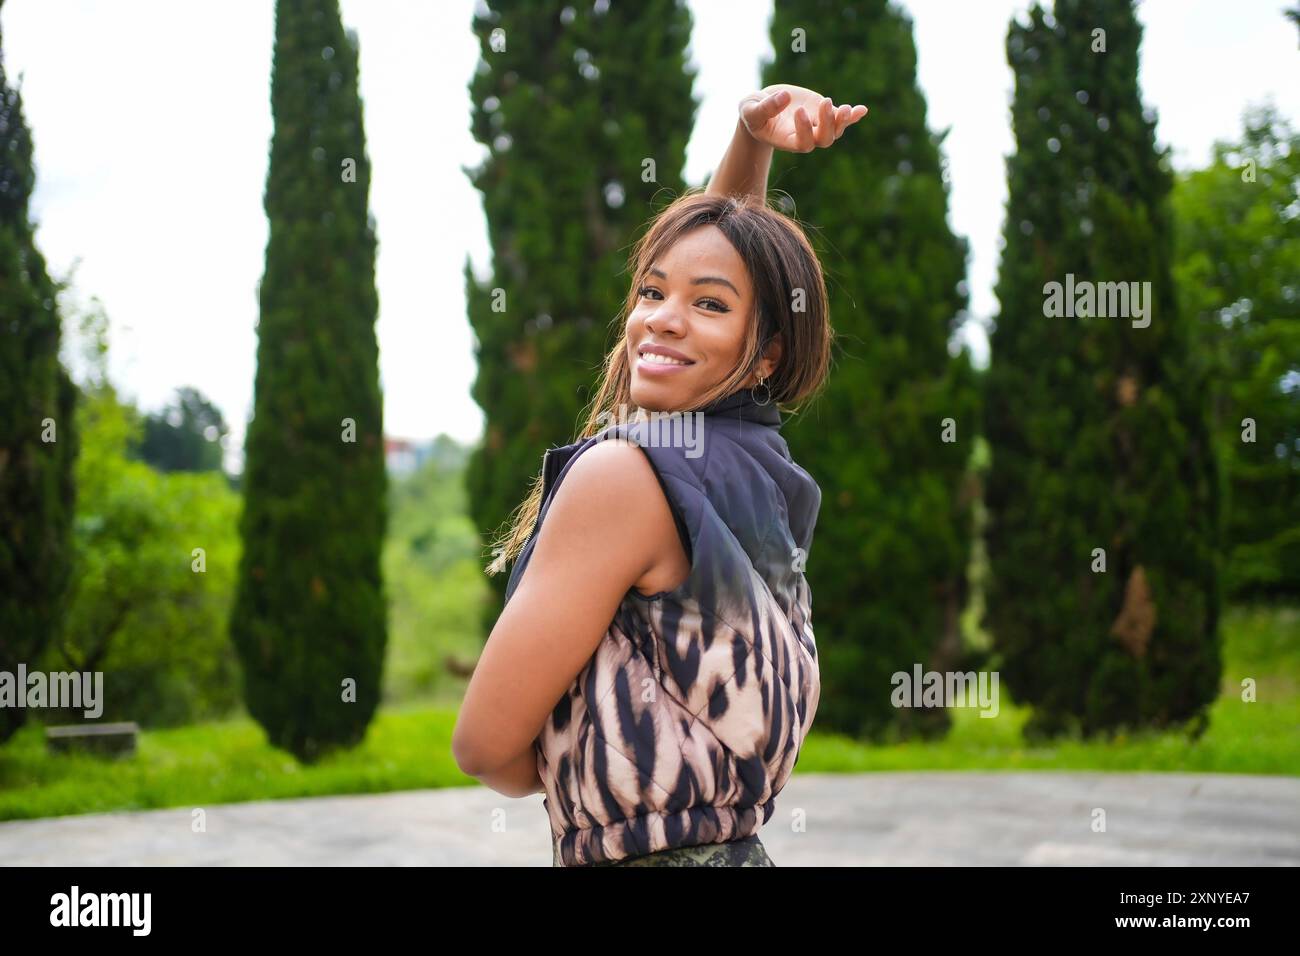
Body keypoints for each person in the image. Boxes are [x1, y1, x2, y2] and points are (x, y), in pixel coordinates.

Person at [452, 85, 868, 866]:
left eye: (704, 305)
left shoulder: (623, 477)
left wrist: (584, 763)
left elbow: (483, 744)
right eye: (649, 292)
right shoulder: (757, 471)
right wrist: (750, 143)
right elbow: (732, 280)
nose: (660, 319)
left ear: (768, 351)